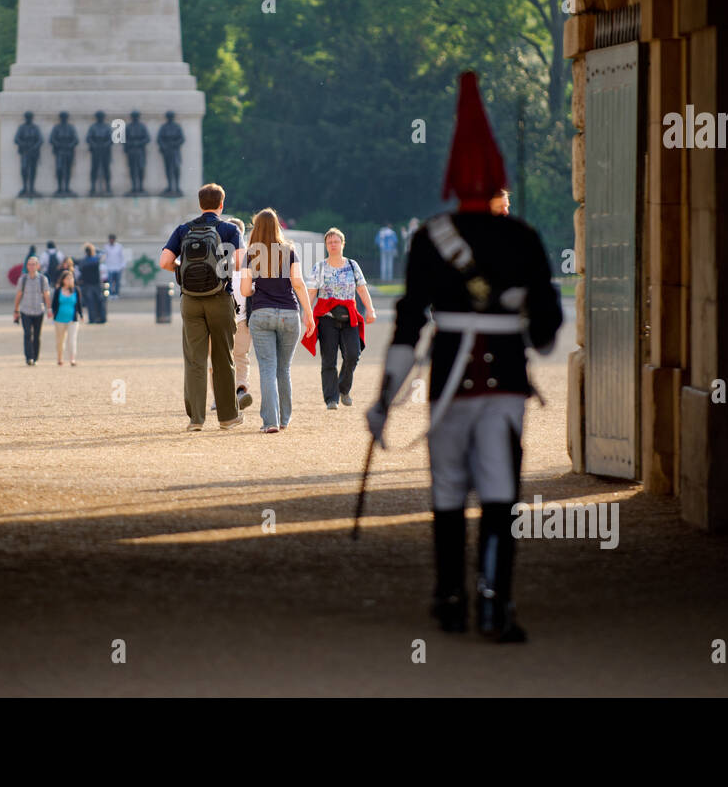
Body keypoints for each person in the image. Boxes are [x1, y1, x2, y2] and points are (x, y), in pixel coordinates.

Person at [366, 71, 562, 643]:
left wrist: (384, 400)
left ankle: (449, 599)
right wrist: (519, 309)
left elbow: (408, 327)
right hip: (504, 386)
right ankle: (496, 604)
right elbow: (548, 334)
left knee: (447, 492)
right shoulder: (523, 237)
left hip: (447, 383)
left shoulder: (430, 237)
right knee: (501, 494)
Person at [160, 183, 245, 431]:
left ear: (200, 204)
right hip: (220, 298)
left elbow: (164, 261)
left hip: (190, 300)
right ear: (221, 204)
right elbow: (239, 262)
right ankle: (228, 417)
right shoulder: (229, 229)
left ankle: (196, 419)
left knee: (195, 359)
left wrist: (183, 270)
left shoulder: (184, 229)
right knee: (222, 357)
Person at [241, 208, 315, 433]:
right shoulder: (289, 251)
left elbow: (245, 290)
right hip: (289, 314)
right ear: (277, 226)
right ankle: (285, 419)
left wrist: (256, 288)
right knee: (284, 369)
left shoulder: (251, 254)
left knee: (267, 369)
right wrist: (308, 313)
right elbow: (299, 283)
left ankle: (269, 422)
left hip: (262, 313)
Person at [305, 227, 377, 409]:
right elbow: (311, 292)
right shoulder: (319, 267)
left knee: (353, 354)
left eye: (336, 241)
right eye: (329, 242)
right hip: (327, 319)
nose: (333, 245)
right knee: (328, 359)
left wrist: (371, 309)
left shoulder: (352, 265)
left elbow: (361, 288)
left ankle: (343, 388)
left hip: (349, 317)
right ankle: (331, 399)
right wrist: (306, 314)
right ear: (326, 245)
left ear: (343, 244)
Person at [209, 217, 253, 414]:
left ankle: (239, 390)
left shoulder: (250, 261)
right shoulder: (217, 258)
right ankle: (219, 396)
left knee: (240, 356)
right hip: (219, 317)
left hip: (242, 317)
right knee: (217, 359)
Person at [13, 255, 52, 365]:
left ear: (38, 266)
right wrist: (16, 310)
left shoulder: (43, 279)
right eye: (29, 264)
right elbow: (19, 295)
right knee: (27, 334)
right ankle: (28, 357)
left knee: (36, 335)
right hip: (25, 310)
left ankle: (35, 357)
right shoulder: (23, 279)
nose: (31, 266)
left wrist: (49, 308)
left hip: (39, 311)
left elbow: (46, 294)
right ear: (27, 266)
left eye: (34, 264)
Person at [51, 269, 83, 366]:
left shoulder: (76, 290)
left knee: (72, 339)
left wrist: (81, 315)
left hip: (72, 319)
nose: (70, 280)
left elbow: (79, 304)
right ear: (63, 280)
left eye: (71, 278)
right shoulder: (58, 291)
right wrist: (52, 313)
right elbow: (54, 304)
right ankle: (60, 358)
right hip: (59, 319)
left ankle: (72, 359)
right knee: (60, 340)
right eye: (68, 279)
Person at [79, 244, 106, 324]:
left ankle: (92, 319)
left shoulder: (84, 261)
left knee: (90, 303)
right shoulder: (96, 259)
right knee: (100, 301)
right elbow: (103, 254)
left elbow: (81, 271)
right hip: (96, 283)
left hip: (87, 284)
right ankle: (102, 318)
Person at [102, 233, 126, 298]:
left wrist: (122, 266)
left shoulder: (119, 246)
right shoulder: (106, 247)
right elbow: (104, 257)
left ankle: (116, 294)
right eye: (110, 239)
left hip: (118, 267)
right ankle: (110, 294)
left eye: (112, 239)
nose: (111, 240)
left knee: (117, 282)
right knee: (109, 282)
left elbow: (122, 257)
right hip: (109, 267)